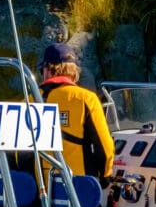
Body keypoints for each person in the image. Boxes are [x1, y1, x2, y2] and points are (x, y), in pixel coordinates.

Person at [38, 41, 115, 180]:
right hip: (78, 185)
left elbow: (17, 154)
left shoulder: (29, 100)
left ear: (47, 69)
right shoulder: (87, 99)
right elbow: (105, 148)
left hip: (40, 186)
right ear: (75, 70)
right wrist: (105, 176)